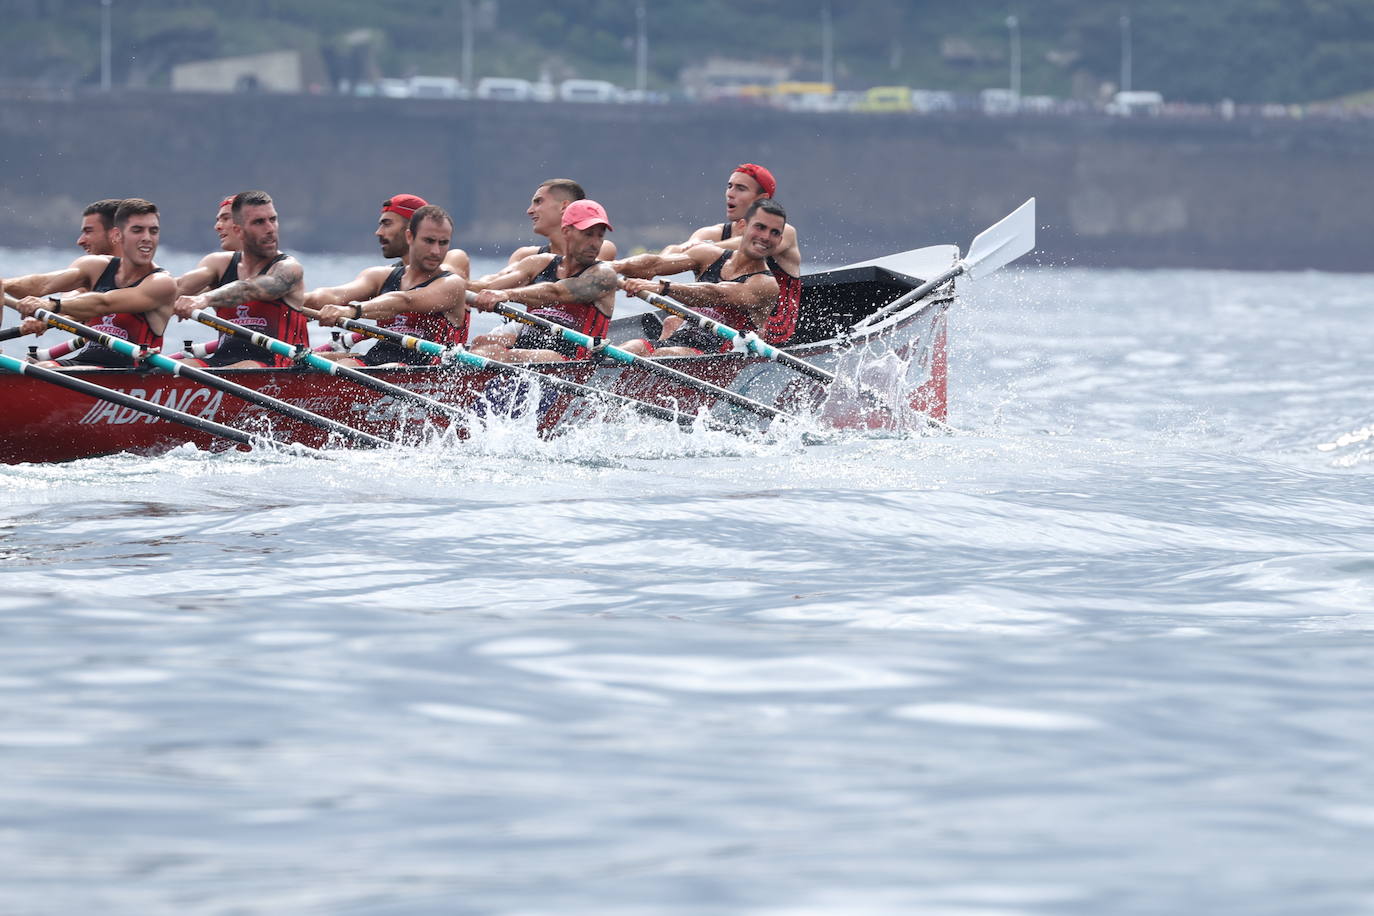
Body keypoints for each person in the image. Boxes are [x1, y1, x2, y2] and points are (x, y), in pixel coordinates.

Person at [4, 198, 176, 368]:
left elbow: (103, 303)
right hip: (84, 363)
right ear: (117, 235)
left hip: (128, 373)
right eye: (138, 230)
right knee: (28, 368)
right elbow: (42, 284)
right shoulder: (96, 266)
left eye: (153, 231)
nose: (147, 238)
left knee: (45, 369)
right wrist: (5, 284)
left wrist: (51, 305)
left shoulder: (161, 283)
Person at [614, 198, 787, 358]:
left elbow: (718, 294)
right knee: (628, 349)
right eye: (760, 227)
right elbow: (655, 264)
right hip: (676, 343)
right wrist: (614, 267)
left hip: (718, 358)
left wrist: (662, 288)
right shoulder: (708, 255)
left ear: (779, 240)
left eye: (774, 232)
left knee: (664, 354)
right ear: (742, 226)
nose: (765, 237)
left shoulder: (766, 284)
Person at [308, 205, 468, 366]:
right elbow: (333, 295)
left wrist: (351, 311)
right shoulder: (380, 276)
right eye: (429, 241)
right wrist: (294, 298)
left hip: (427, 370)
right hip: (377, 363)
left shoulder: (452, 284)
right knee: (312, 363)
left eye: (443, 243)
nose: (436, 251)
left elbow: (405, 301)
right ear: (410, 237)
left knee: (366, 367)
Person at [663, 163, 803, 344]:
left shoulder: (783, 233)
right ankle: (655, 365)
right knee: (670, 322)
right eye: (730, 186)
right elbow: (670, 255)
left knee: (681, 321)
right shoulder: (710, 233)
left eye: (741, 189)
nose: (730, 193)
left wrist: (703, 248)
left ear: (762, 199)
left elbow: (744, 245)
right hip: (721, 316)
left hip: (768, 327)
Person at [469, 199, 618, 363]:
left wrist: (505, 295)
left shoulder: (604, 275)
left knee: (499, 355)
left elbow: (557, 292)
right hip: (529, 346)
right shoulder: (539, 263)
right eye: (588, 234)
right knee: (480, 343)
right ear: (566, 231)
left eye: (600, 236)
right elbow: (490, 286)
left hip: (573, 360)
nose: (595, 243)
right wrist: (455, 288)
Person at [173, 190, 306, 368]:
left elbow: (248, 289)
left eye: (273, 220)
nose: (270, 228)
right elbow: (176, 288)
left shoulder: (289, 268)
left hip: (278, 366)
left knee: (246, 366)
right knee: (180, 367)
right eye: (259, 222)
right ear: (239, 230)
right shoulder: (218, 264)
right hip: (222, 362)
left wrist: (202, 299)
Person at [504, 179, 617, 265]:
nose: (529, 211)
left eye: (538, 201)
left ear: (564, 206)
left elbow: (579, 285)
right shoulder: (523, 256)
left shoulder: (600, 248)